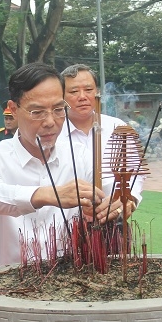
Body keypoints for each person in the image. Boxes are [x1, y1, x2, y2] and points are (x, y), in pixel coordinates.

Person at [0, 63, 118, 269]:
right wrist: (49, 195)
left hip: (68, 277)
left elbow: (110, 191)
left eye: (59, 109)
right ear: (13, 109)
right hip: (6, 281)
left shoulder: (80, 155)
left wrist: (110, 205)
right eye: (37, 112)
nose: (50, 121)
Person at [60, 63, 143, 216]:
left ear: (97, 92)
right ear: (61, 96)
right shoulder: (53, 132)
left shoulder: (118, 127)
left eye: (88, 90)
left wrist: (130, 199)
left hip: (112, 221)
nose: (82, 97)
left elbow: (135, 172)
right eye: (73, 91)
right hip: (65, 225)